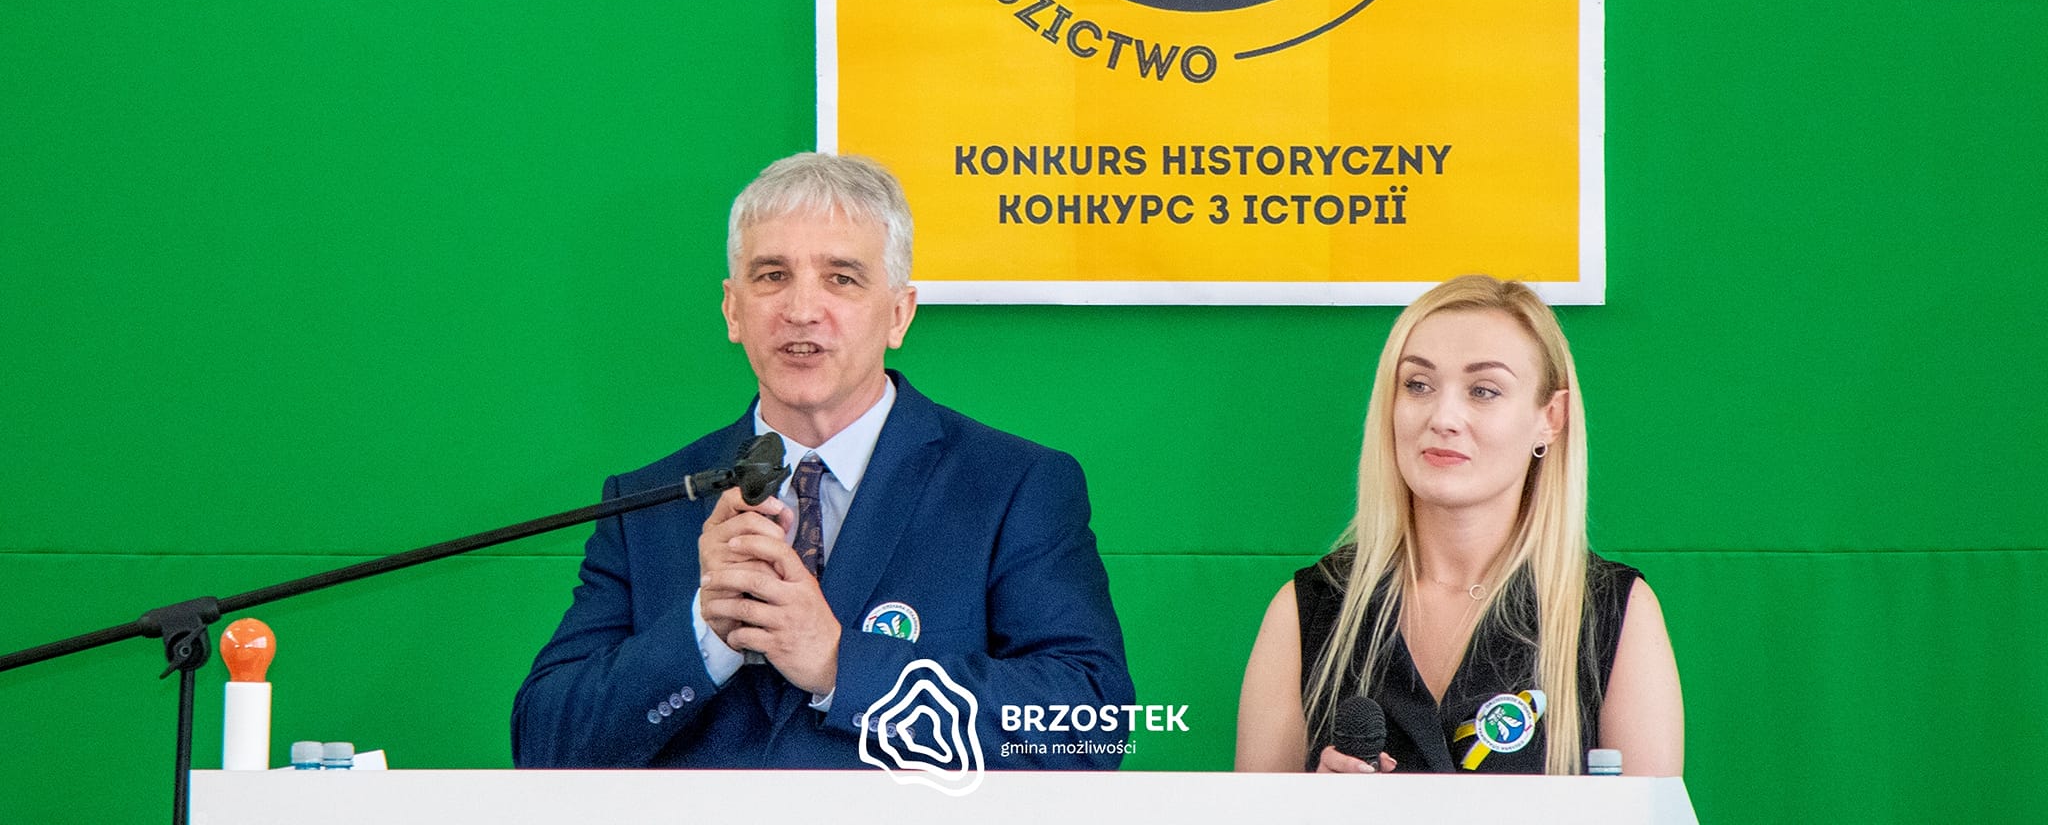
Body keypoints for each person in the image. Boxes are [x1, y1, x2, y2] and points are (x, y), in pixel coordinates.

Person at [512, 152, 1134, 768]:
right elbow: (544, 746)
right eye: (771, 275)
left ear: (898, 314)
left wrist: (841, 664)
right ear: (733, 310)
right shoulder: (649, 502)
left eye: (842, 278)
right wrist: (703, 633)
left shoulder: (1013, 485)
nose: (802, 309)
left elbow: (1090, 729)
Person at [1234, 275, 1684, 776]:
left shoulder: (1614, 614)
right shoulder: (1309, 611)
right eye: (1418, 385)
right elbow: (1256, 806)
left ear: (1551, 418)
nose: (1443, 417)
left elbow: (1649, 809)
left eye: (1483, 390)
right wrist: (1314, 807)